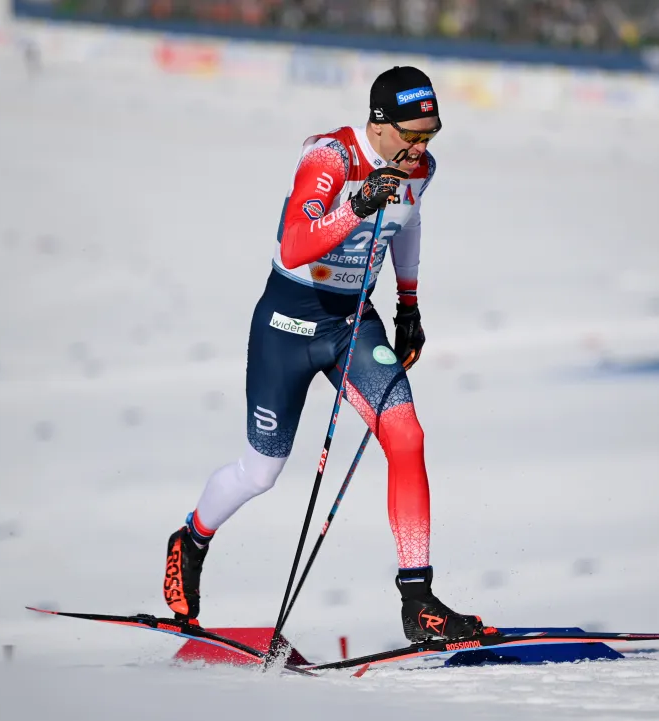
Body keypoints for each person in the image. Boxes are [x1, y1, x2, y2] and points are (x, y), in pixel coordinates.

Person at [164, 66, 490, 642]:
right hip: (287, 324)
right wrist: (359, 203)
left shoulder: (420, 169)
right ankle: (191, 539)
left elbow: (408, 222)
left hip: (352, 324)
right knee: (260, 471)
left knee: (406, 435)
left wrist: (408, 304)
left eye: (430, 136)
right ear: (380, 125)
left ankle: (418, 600)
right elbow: (297, 243)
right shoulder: (331, 158)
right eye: (412, 136)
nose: (421, 149)